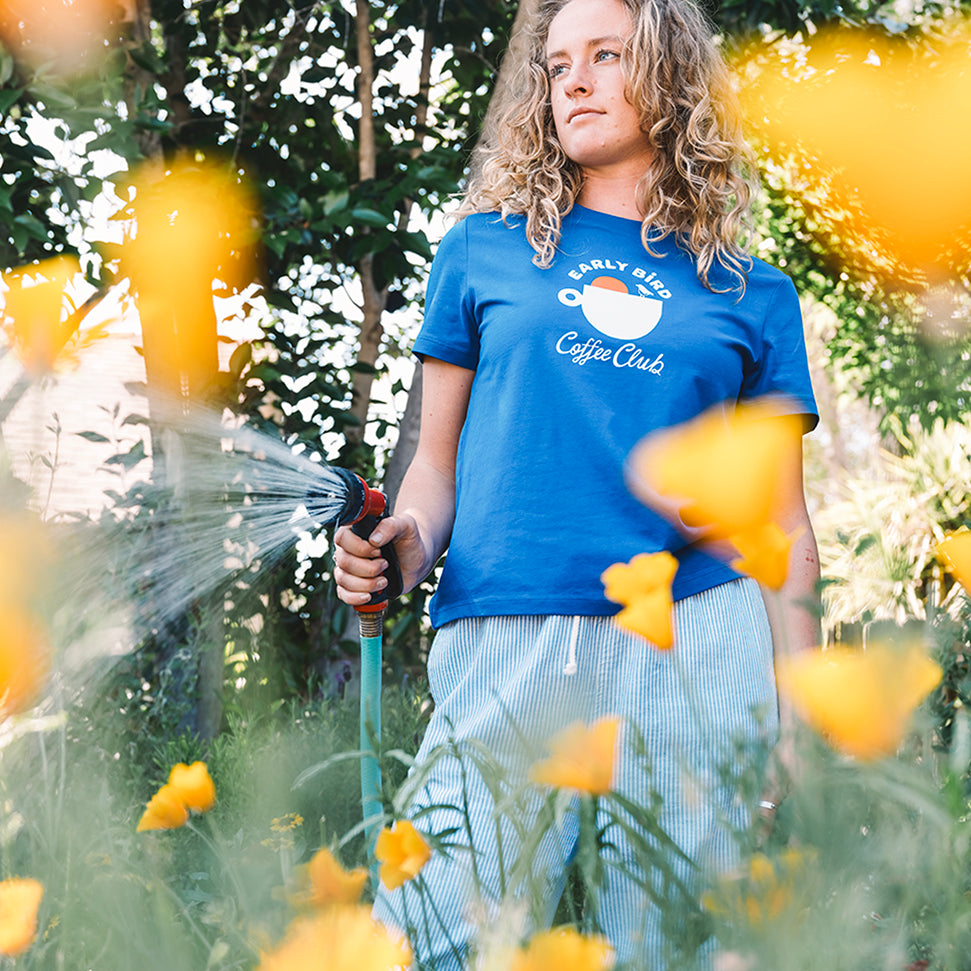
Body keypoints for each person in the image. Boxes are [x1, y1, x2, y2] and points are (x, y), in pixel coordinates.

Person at [334, 0, 820, 965]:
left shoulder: (751, 293)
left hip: (695, 633)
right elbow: (434, 468)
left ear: (671, 75)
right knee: (428, 936)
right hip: (507, 628)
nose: (576, 82)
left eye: (606, 55)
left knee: (681, 945)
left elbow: (782, 525)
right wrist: (405, 546)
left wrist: (800, 720)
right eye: (558, 66)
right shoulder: (482, 251)